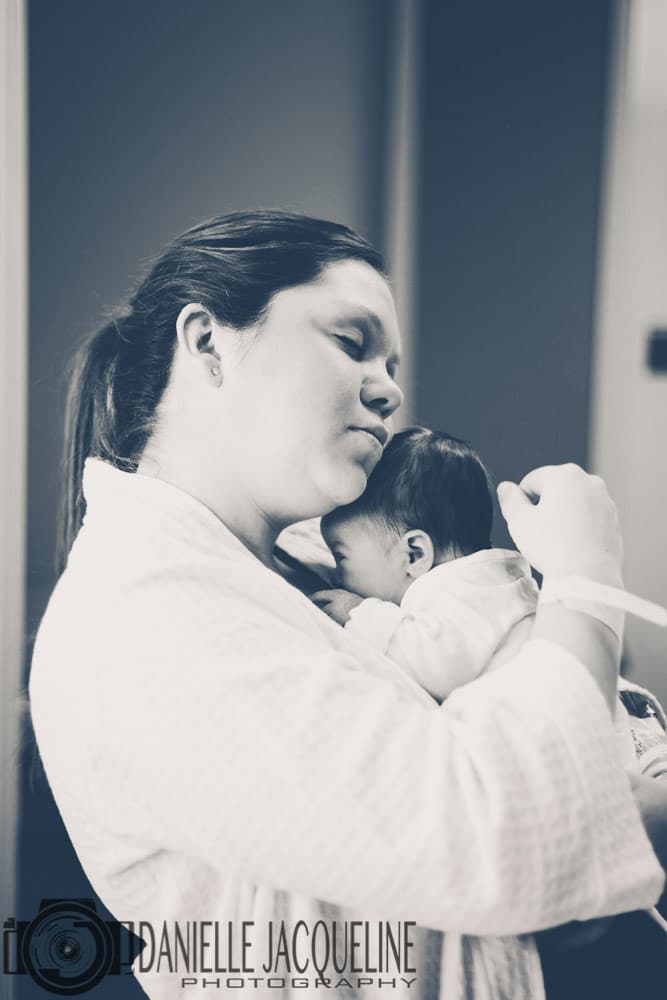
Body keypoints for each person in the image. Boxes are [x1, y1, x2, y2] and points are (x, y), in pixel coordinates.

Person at [28, 210, 664, 1000]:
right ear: (207, 343)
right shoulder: (143, 611)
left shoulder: (279, 578)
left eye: (391, 361)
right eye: (350, 341)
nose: (389, 388)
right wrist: (584, 580)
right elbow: (496, 836)